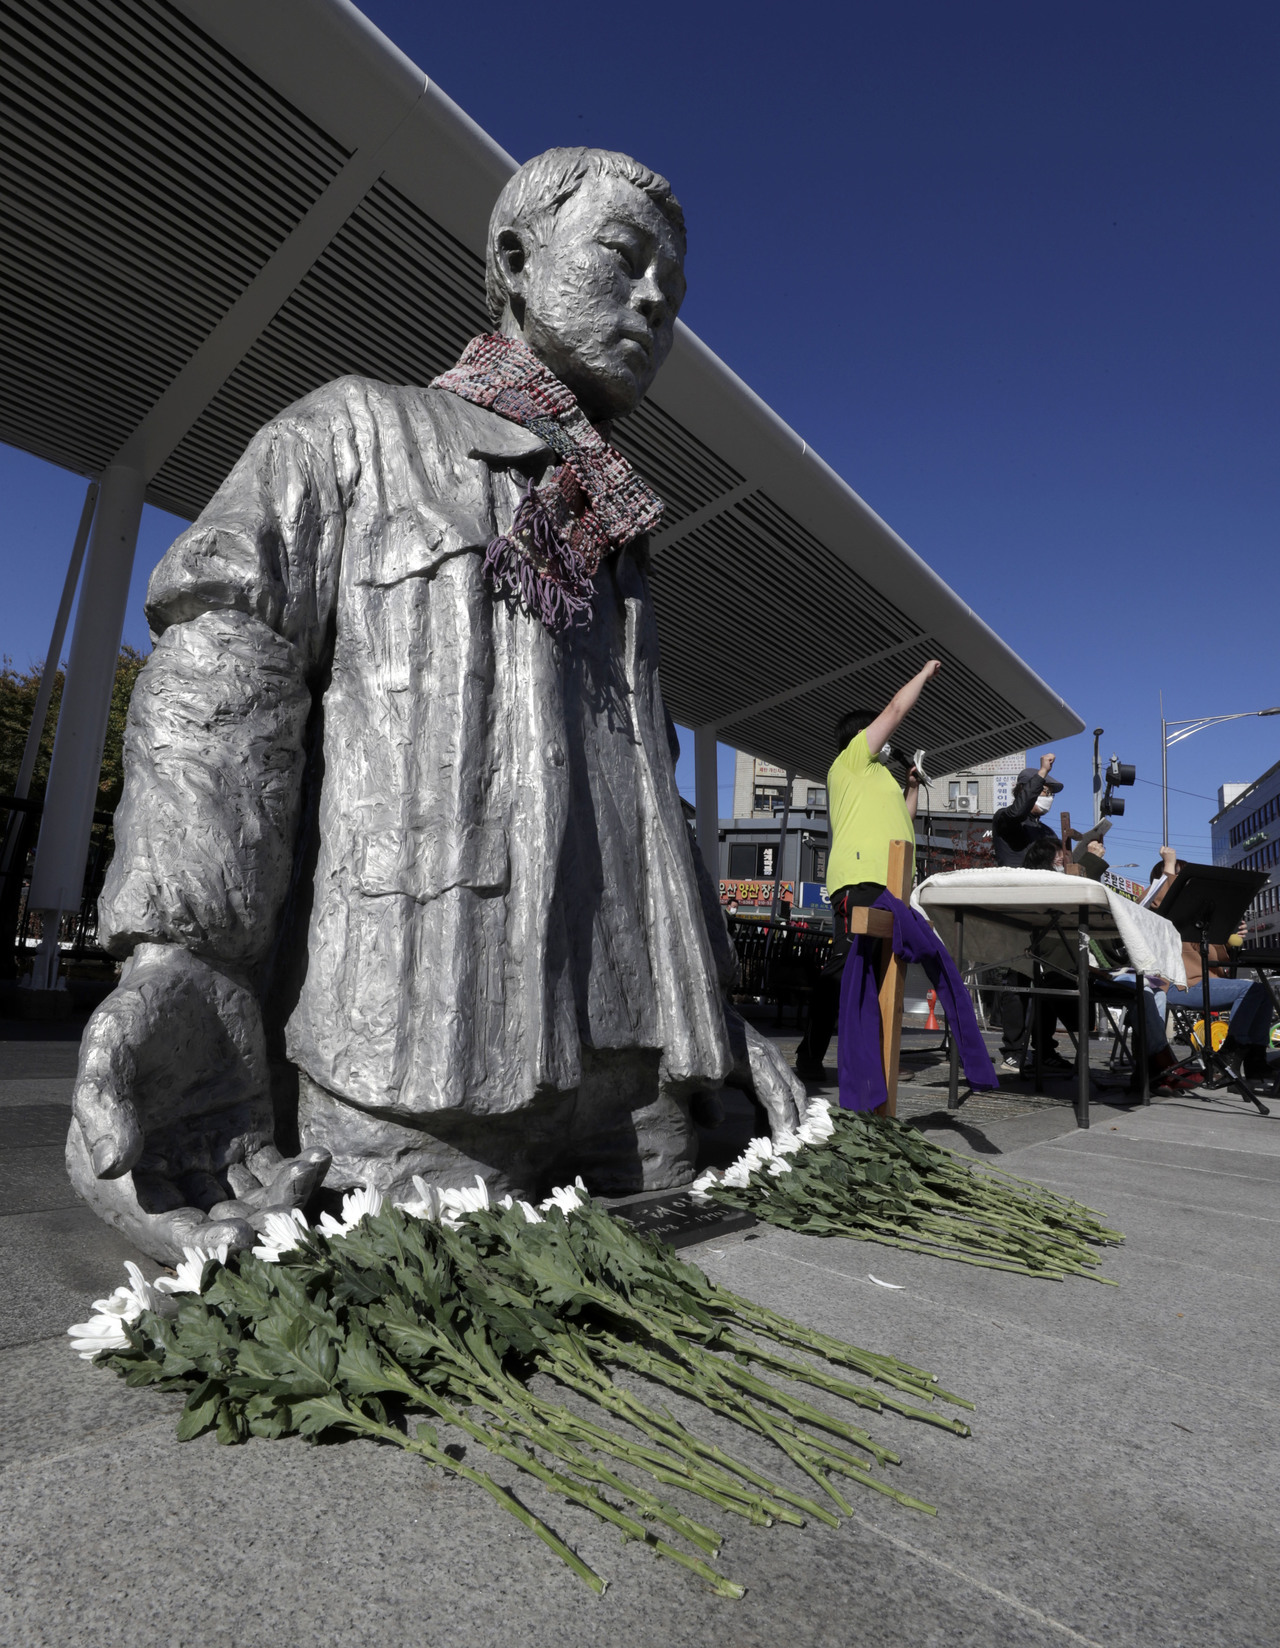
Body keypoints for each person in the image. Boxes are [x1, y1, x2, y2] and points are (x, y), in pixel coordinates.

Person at [68, 147, 807, 1262]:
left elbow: (651, 797)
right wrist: (186, 956)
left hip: (644, 1086)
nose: (656, 299)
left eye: (675, 287)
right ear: (514, 261)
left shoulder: (614, 531)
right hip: (423, 1067)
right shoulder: (350, 434)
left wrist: (714, 1018)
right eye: (623, 258)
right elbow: (222, 672)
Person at [794, 659, 940, 1080]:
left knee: (878, 973)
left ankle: (867, 1059)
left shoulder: (880, 780)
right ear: (862, 735)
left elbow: (902, 822)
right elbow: (895, 710)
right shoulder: (852, 760)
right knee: (844, 966)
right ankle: (810, 1055)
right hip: (859, 881)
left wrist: (911, 788)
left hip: (892, 883)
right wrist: (924, 673)